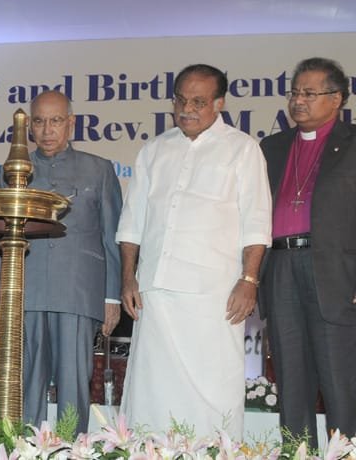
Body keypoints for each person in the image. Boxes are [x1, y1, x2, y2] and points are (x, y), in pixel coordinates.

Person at [116, 64, 271, 439]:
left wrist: (248, 280)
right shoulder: (154, 149)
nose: (187, 108)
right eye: (181, 100)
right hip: (155, 290)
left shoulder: (242, 149)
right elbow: (132, 222)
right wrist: (127, 277)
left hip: (214, 295)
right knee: (151, 388)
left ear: (219, 103)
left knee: (213, 387)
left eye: (199, 101)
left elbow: (257, 222)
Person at [259, 57, 356, 447]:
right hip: (280, 267)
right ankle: (295, 454)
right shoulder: (272, 147)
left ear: (337, 99)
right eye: (295, 92)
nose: (299, 101)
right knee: (291, 379)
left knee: (339, 381)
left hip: (333, 272)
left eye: (309, 93)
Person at [19, 90, 122, 435]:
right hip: (27, 292)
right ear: (30, 126)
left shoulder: (99, 170)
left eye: (56, 120)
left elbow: (112, 237)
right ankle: (21, 451)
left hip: (78, 292)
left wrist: (111, 297)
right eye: (39, 121)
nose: (47, 129)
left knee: (74, 386)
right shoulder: (16, 171)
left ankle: (70, 449)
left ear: (71, 123)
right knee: (24, 385)